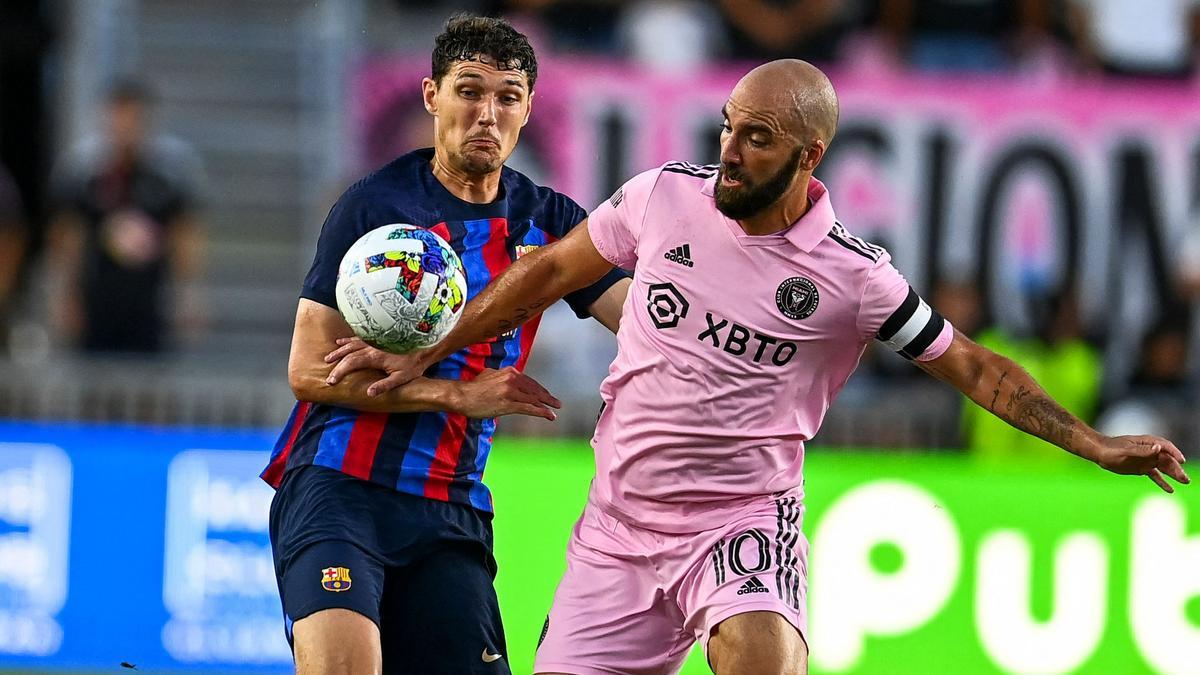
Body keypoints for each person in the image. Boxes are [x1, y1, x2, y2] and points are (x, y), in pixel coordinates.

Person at [326, 60, 1190, 674]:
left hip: (737, 523)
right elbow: (546, 273)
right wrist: (426, 347)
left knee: (761, 660)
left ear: (808, 157)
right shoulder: (663, 196)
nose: (731, 150)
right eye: (730, 126)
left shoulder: (855, 276)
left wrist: (1093, 442)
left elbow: (970, 365)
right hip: (615, 531)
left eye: (759, 138)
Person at [260, 14, 629, 675]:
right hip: (341, 489)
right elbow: (309, 369)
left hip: (450, 510)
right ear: (432, 96)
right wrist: (458, 393)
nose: (487, 114)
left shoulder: (550, 223)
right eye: (469, 91)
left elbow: (645, 324)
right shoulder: (374, 205)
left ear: (528, 109)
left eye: (507, 97)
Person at [46, 80, 205, 354]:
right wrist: (65, 294)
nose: (125, 128)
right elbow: (69, 236)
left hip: (149, 304)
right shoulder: (86, 174)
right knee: (93, 383)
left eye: (133, 119)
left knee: (149, 387)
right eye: (119, 118)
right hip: (97, 301)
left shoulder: (167, 176)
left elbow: (184, 234)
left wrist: (189, 294)